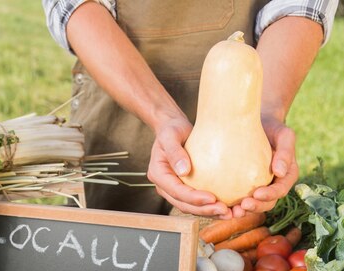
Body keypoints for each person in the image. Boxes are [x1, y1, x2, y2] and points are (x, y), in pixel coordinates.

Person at [42, 1, 338, 219]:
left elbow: (301, 6)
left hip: (249, 120)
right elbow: (73, 6)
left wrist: (266, 113)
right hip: (116, 107)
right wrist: (163, 117)